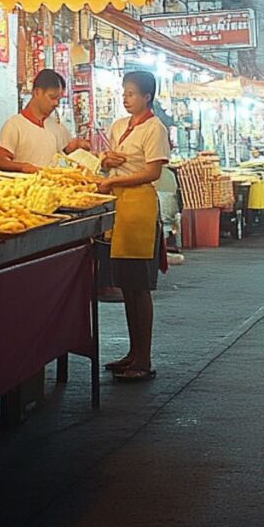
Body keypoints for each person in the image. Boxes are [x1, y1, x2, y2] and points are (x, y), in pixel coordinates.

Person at [94, 70, 171, 382]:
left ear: (147, 97)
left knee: (139, 288)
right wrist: (106, 160)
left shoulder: (155, 129)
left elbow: (152, 172)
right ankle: (132, 352)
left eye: (131, 93)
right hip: (119, 208)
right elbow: (113, 161)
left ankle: (144, 357)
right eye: (124, 92)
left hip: (139, 207)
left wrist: (114, 178)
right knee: (126, 284)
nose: (125, 98)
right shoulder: (118, 126)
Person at [0, 69, 91, 173]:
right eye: (52, 97)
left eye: (59, 99)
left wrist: (77, 148)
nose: (56, 103)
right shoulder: (15, 125)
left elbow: (63, 157)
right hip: (26, 187)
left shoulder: (57, 127)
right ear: (37, 92)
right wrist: (22, 167)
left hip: (55, 187)